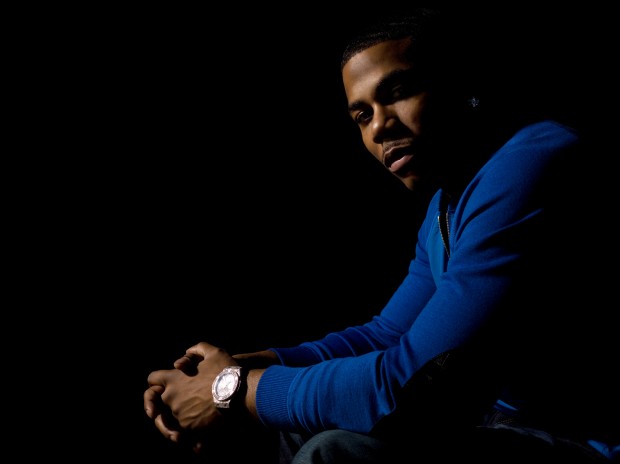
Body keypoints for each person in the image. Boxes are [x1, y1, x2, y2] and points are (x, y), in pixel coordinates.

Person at [144, 7, 618, 463]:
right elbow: (387, 333)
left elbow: (406, 383)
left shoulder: (534, 163)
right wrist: (246, 366)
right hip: (496, 426)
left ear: (460, 85)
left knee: (335, 450)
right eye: (362, 116)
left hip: (581, 441)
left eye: (398, 91)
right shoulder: (445, 205)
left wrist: (228, 390)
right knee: (293, 420)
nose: (380, 127)